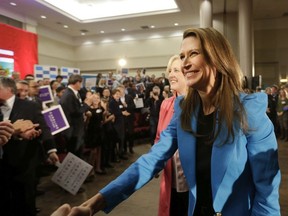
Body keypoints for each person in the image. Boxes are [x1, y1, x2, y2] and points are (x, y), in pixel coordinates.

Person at [51, 27, 280, 216]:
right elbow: (151, 160)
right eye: (182, 56)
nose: (184, 63)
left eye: (193, 54)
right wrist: (95, 203)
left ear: (217, 57)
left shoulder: (250, 109)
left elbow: (266, 193)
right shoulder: (183, 110)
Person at [0, 77, 59, 216]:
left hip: (23, 163)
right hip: (2, 164)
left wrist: (51, 150)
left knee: (25, 202)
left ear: (8, 89)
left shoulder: (29, 106)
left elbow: (43, 128)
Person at [156, 55, 188, 216]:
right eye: (170, 70)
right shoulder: (165, 104)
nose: (170, 74)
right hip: (171, 178)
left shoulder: (200, 104)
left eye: (176, 70)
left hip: (193, 182)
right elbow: (158, 138)